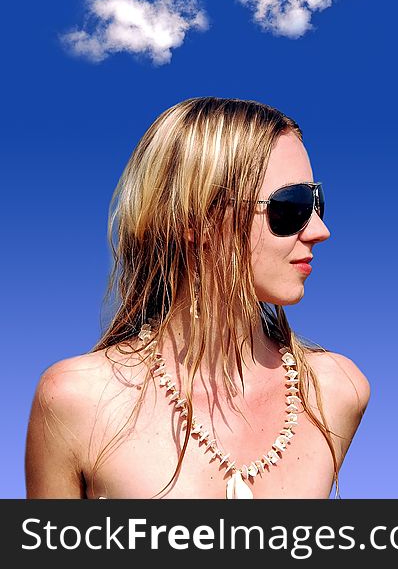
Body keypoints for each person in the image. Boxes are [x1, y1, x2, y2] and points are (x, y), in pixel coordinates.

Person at [24, 97, 369, 499]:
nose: (319, 230)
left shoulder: (335, 391)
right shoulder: (78, 401)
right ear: (196, 218)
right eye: (289, 207)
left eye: (315, 202)